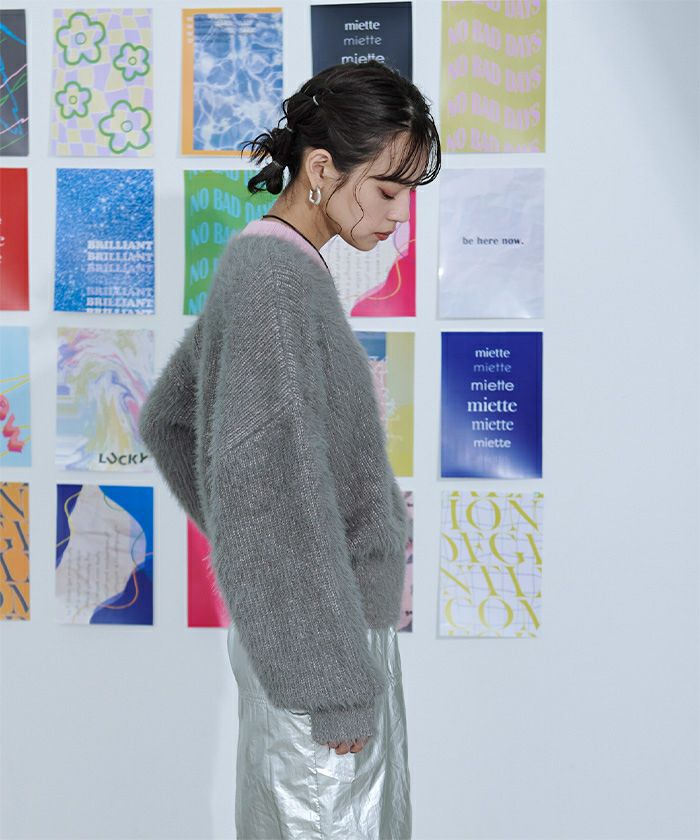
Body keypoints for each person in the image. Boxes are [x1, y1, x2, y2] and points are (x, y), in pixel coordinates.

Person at [138, 60, 440, 839]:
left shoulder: (274, 267)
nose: (400, 214)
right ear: (321, 170)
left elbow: (171, 421)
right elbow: (267, 492)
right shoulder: (275, 283)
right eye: (387, 189)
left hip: (323, 642)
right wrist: (330, 682)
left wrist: (258, 558)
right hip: (321, 662)